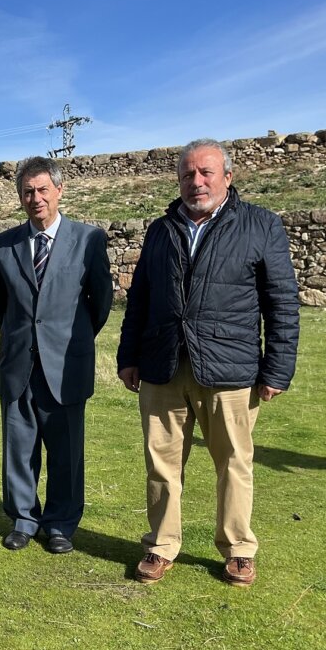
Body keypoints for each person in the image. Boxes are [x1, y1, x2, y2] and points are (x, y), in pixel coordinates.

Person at [116, 138, 299, 587]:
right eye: (187, 175)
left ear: (227, 177)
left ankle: (238, 549)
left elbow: (281, 302)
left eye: (205, 173)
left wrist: (277, 368)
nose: (196, 182)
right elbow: (139, 298)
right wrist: (128, 356)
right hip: (163, 364)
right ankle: (161, 546)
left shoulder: (260, 225)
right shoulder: (161, 229)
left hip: (230, 368)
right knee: (161, 463)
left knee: (234, 462)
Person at [0, 156, 113, 554]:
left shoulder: (88, 240)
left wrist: (68, 341)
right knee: (19, 448)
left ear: (59, 191)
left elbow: (101, 303)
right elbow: (0, 305)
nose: (36, 198)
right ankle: (23, 519)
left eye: (43, 189)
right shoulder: (4, 245)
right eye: (28, 191)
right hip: (19, 363)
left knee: (66, 451)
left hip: (67, 365)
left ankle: (60, 523)